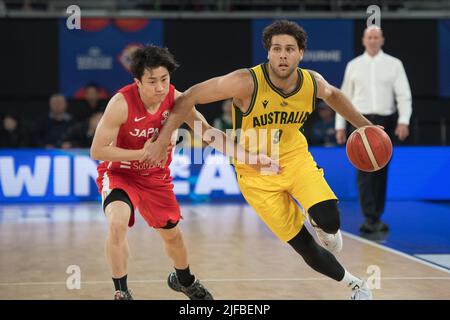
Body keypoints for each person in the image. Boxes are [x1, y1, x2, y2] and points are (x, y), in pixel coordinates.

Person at [144, 20, 378, 300]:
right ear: (267, 52)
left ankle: (322, 224)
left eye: (289, 49)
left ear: (301, 53)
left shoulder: (311, 82)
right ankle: (356, 285)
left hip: (295, 158)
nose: (282, 55)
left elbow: (334, 95)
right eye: (276, 48)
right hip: (254, 172)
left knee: (330, 219)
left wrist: (364, 125)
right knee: (303, 245)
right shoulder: (245, 82)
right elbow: (189, 97)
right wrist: (162, 139)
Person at [90, 45, 277, 300]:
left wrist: (249, 158)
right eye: (152, 81)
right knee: (117, 223)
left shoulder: (177, 100)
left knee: (174, 237)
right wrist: (141, 154)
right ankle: (121, 292)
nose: (159, 87)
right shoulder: (121, 103)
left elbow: (210, 133)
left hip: (156, 178)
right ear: (138, 82)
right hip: (121, 174)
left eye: (164, 79)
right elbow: (98, 151)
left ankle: (185, 280)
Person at [335, 25, 412, 234]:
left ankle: (376, 215)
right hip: (359, 120)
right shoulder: (354, 65)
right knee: (363, 170)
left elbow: (403, 94)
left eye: (376, 37)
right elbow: (343, 97)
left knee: (381, 170)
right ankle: (369, 217)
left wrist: (404, 120)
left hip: (384, 121)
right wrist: (340, 126)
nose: (373, 40)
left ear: (382, 40)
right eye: (369, 37)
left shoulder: (394, 64)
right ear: (363, 40)